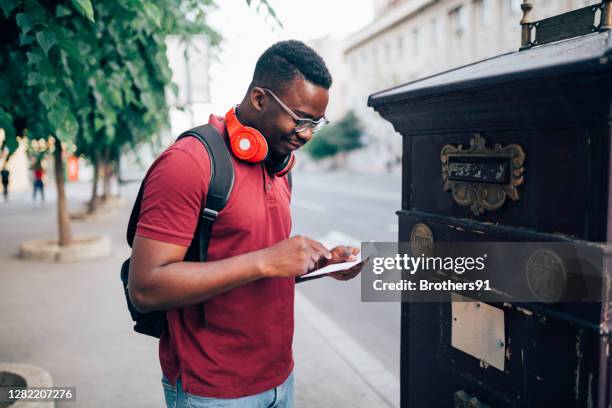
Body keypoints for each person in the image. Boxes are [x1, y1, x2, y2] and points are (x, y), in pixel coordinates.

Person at [128, 40, 366, 408]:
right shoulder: (188, 163)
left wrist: (318, 264)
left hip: (279, 377)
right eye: (300, 119)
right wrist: (267, 260)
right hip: (211, 390)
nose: (306, 134)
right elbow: (144, 289)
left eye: (315, 123)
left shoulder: (280, 164)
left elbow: (259, 265)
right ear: (259, 99)